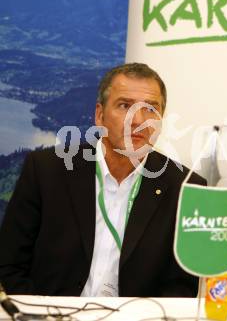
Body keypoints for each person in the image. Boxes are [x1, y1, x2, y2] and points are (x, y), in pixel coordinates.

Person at [0, 63, 206, 297]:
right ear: (100, 115)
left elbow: (182, 285)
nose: (138, 120)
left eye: (150, 109)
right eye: (125, 105)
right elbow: (10, 264)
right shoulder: (47, 170)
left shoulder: (186, 187)